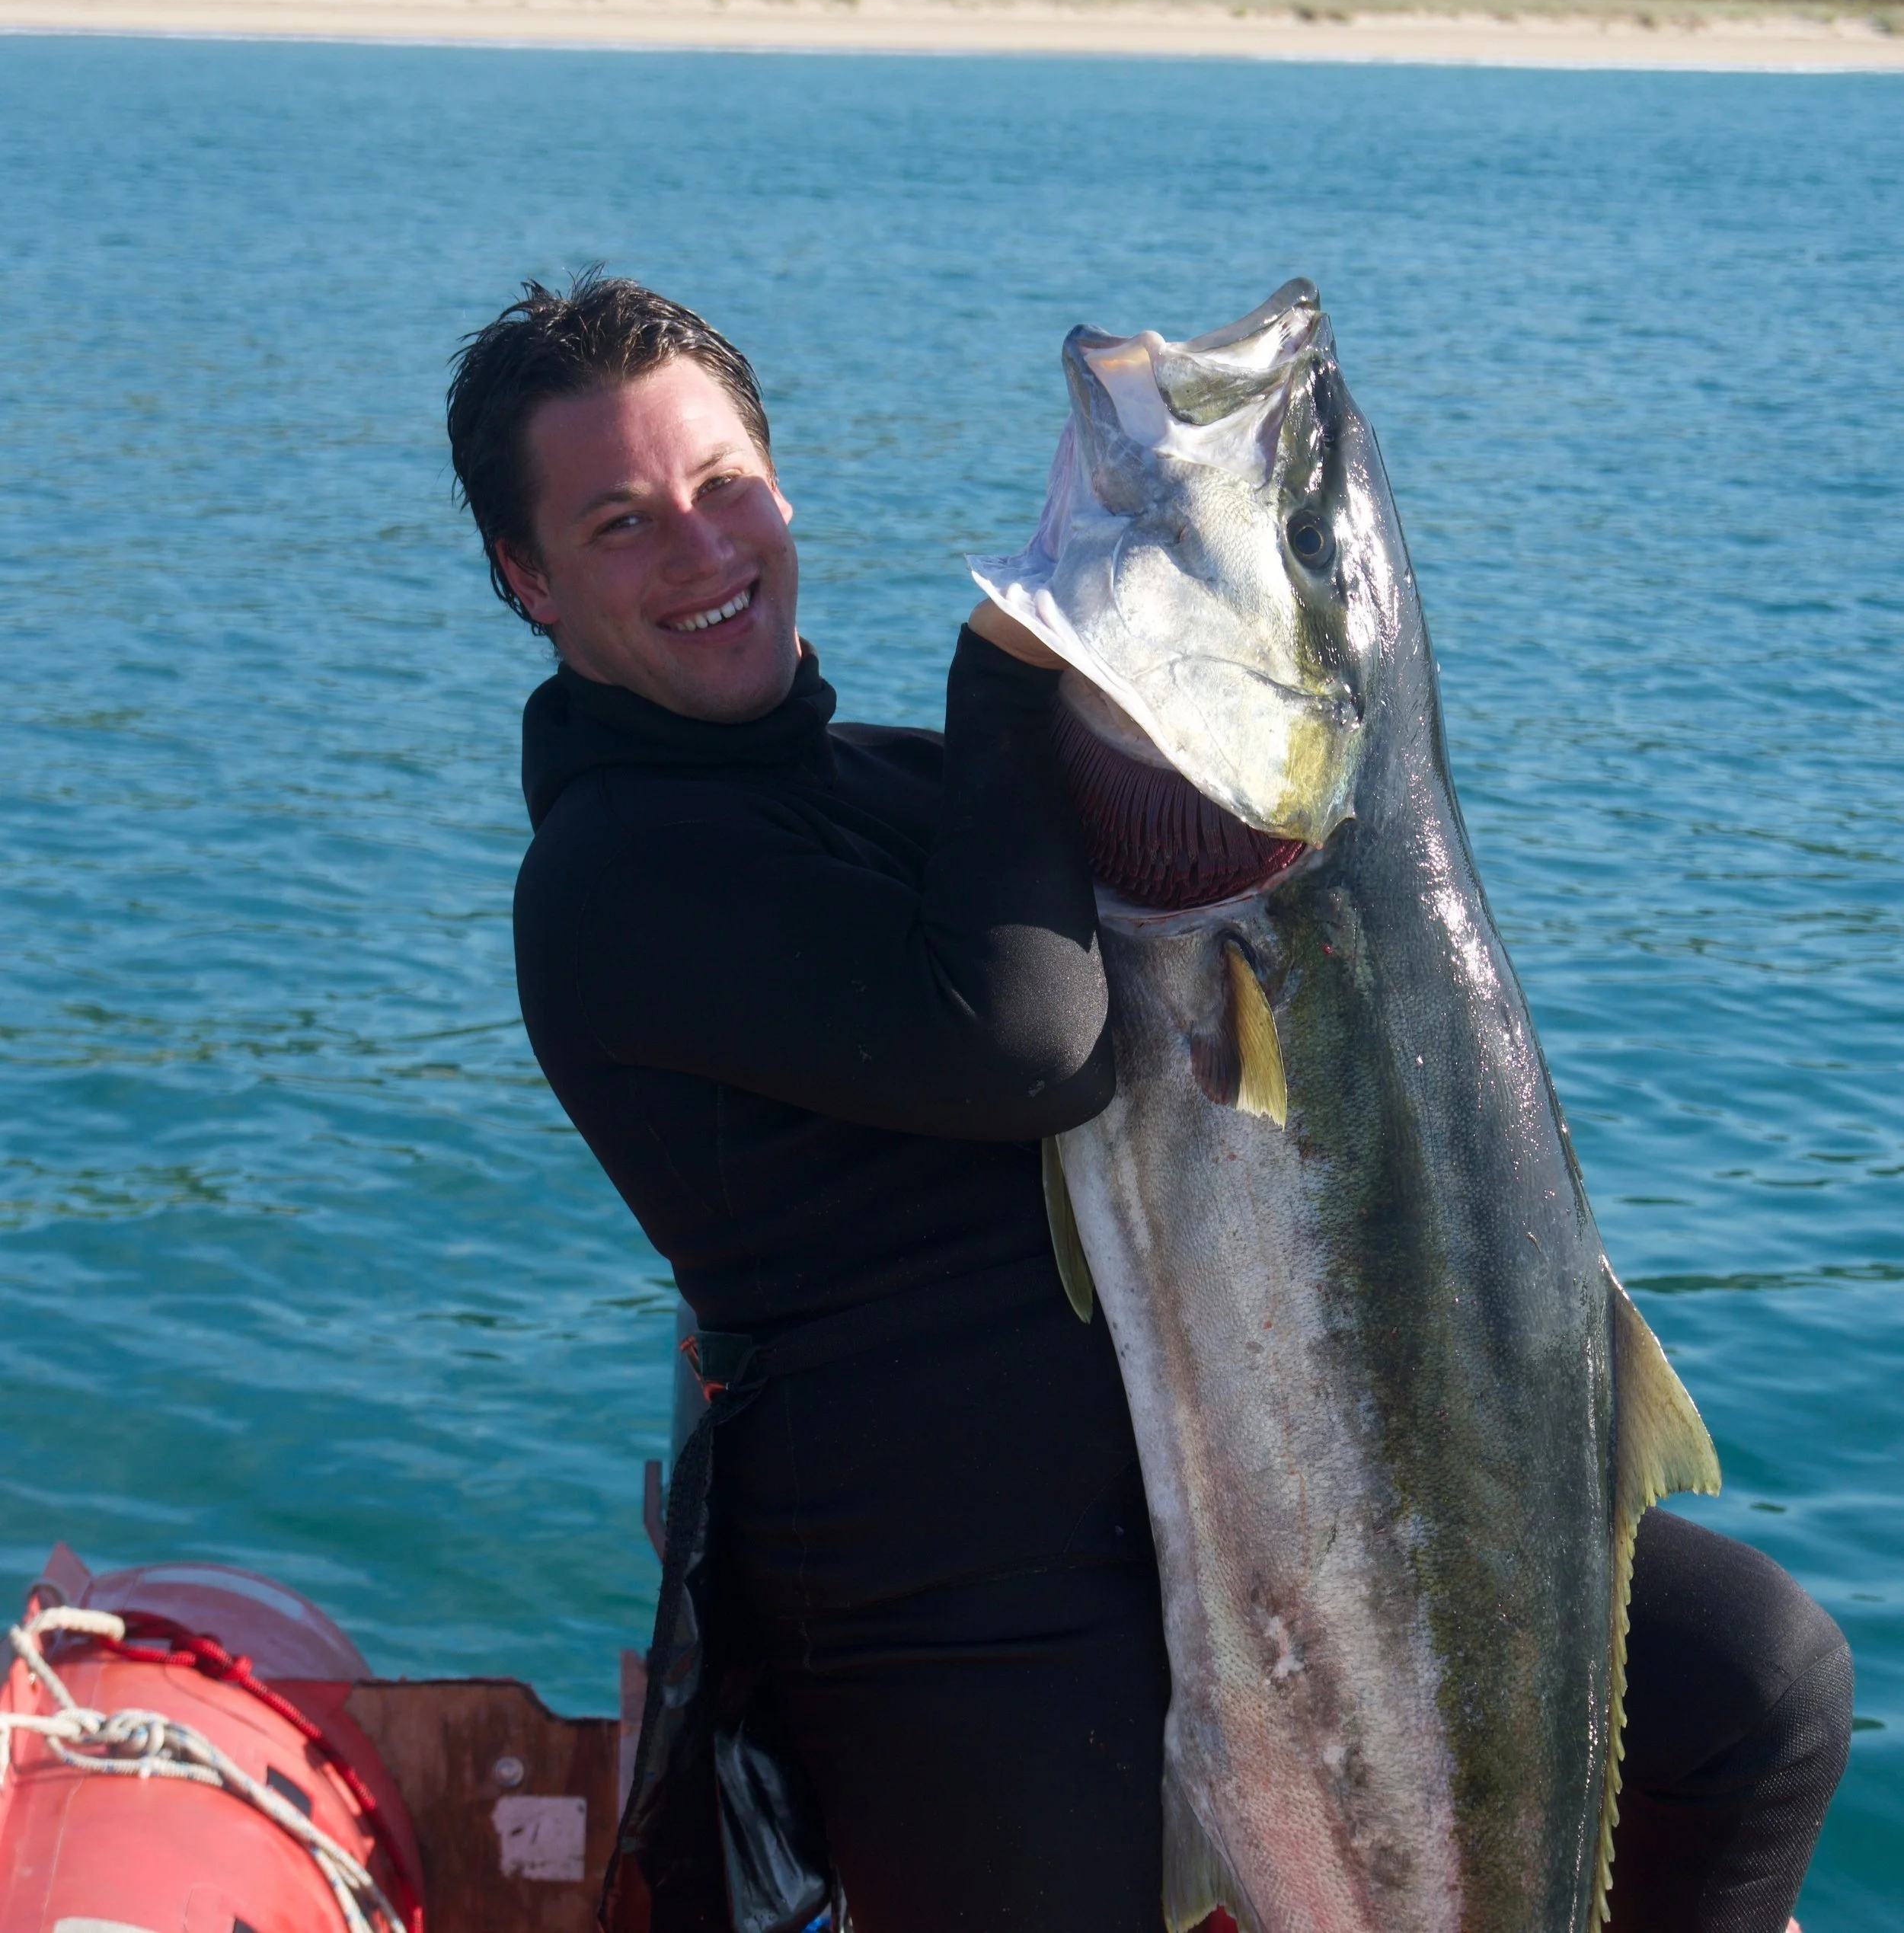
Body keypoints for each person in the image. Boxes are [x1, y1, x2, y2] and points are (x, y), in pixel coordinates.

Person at [447, 273, 1851, 1933]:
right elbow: (1028, 1039)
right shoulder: (613, 875)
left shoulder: (876, 783)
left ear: (779, 483)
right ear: (524, 579)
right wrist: (1016, 650)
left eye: (722, 482)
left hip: (1215, 1474)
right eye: (618, 521)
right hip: (957, 1602)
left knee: (1759, 1684)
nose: (700, 548)